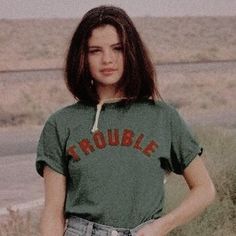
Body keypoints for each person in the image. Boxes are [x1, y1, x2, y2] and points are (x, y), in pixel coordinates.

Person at [35, 5, 215, 236]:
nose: (107, 59)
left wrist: (160, 227)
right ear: (82, 57)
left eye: (117, 48)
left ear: (131, 52)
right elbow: (52, 214)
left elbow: (204, 189)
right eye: (95, 50)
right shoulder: (61, 124)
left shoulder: (162, 117)